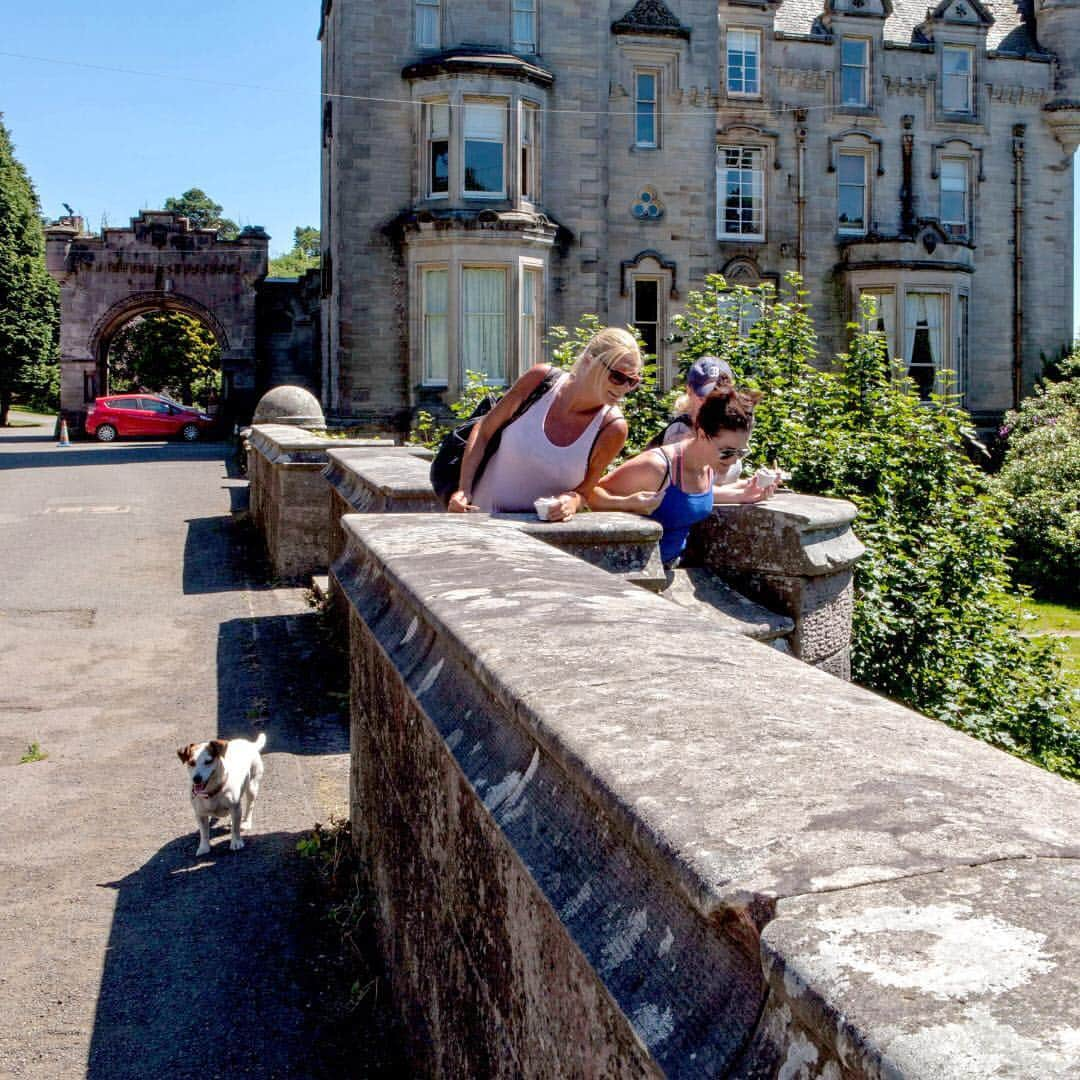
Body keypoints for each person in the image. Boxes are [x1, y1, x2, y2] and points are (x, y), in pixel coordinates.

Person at [448, 327, 642, 521]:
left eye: (632, 381)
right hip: (479, 524)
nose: (624, 388)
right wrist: (463, 489)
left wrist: (572, 501)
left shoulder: (612, 428)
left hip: (539, 543)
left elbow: (585, 491)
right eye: (618, 377)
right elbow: (483, 431)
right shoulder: (540, 381)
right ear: (589, 361)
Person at [590, 386, 775, 567]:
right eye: (727, 452)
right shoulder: (657, 467)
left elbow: (685, 496)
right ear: (702, 435)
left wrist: (742, 494)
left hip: (671, 566)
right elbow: (590, 495)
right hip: (632, 573)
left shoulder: (708, 464)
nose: (734, 460)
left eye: (741, 452)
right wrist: (627, 503)